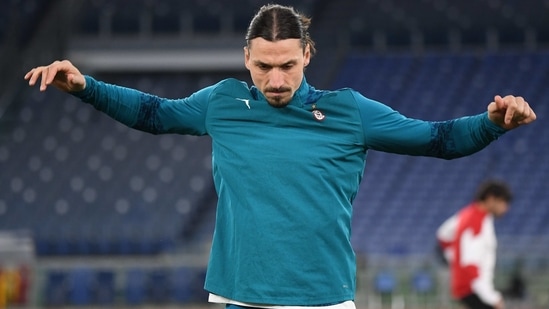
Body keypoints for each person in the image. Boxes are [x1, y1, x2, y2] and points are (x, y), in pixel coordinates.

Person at [24, 4, 536, 309]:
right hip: (239, 297)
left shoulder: (349, 112)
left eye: (287, 66)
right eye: (263, 66)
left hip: (325, 300)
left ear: (307, 55)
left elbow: (439, 139)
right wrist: (86, 87)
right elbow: (153, 114)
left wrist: (492, 123)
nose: (275, 80)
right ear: (246, 57)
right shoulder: (224, 102)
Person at [436, 180, 513, 309]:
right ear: (491, 199)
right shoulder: (476, 223)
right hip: (474, 289)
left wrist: (454, 259)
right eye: (503, 202)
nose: (506, 208)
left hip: (466, 287)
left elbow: (443, 235)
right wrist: (492, 297)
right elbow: (471, 265)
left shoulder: (466, 214)